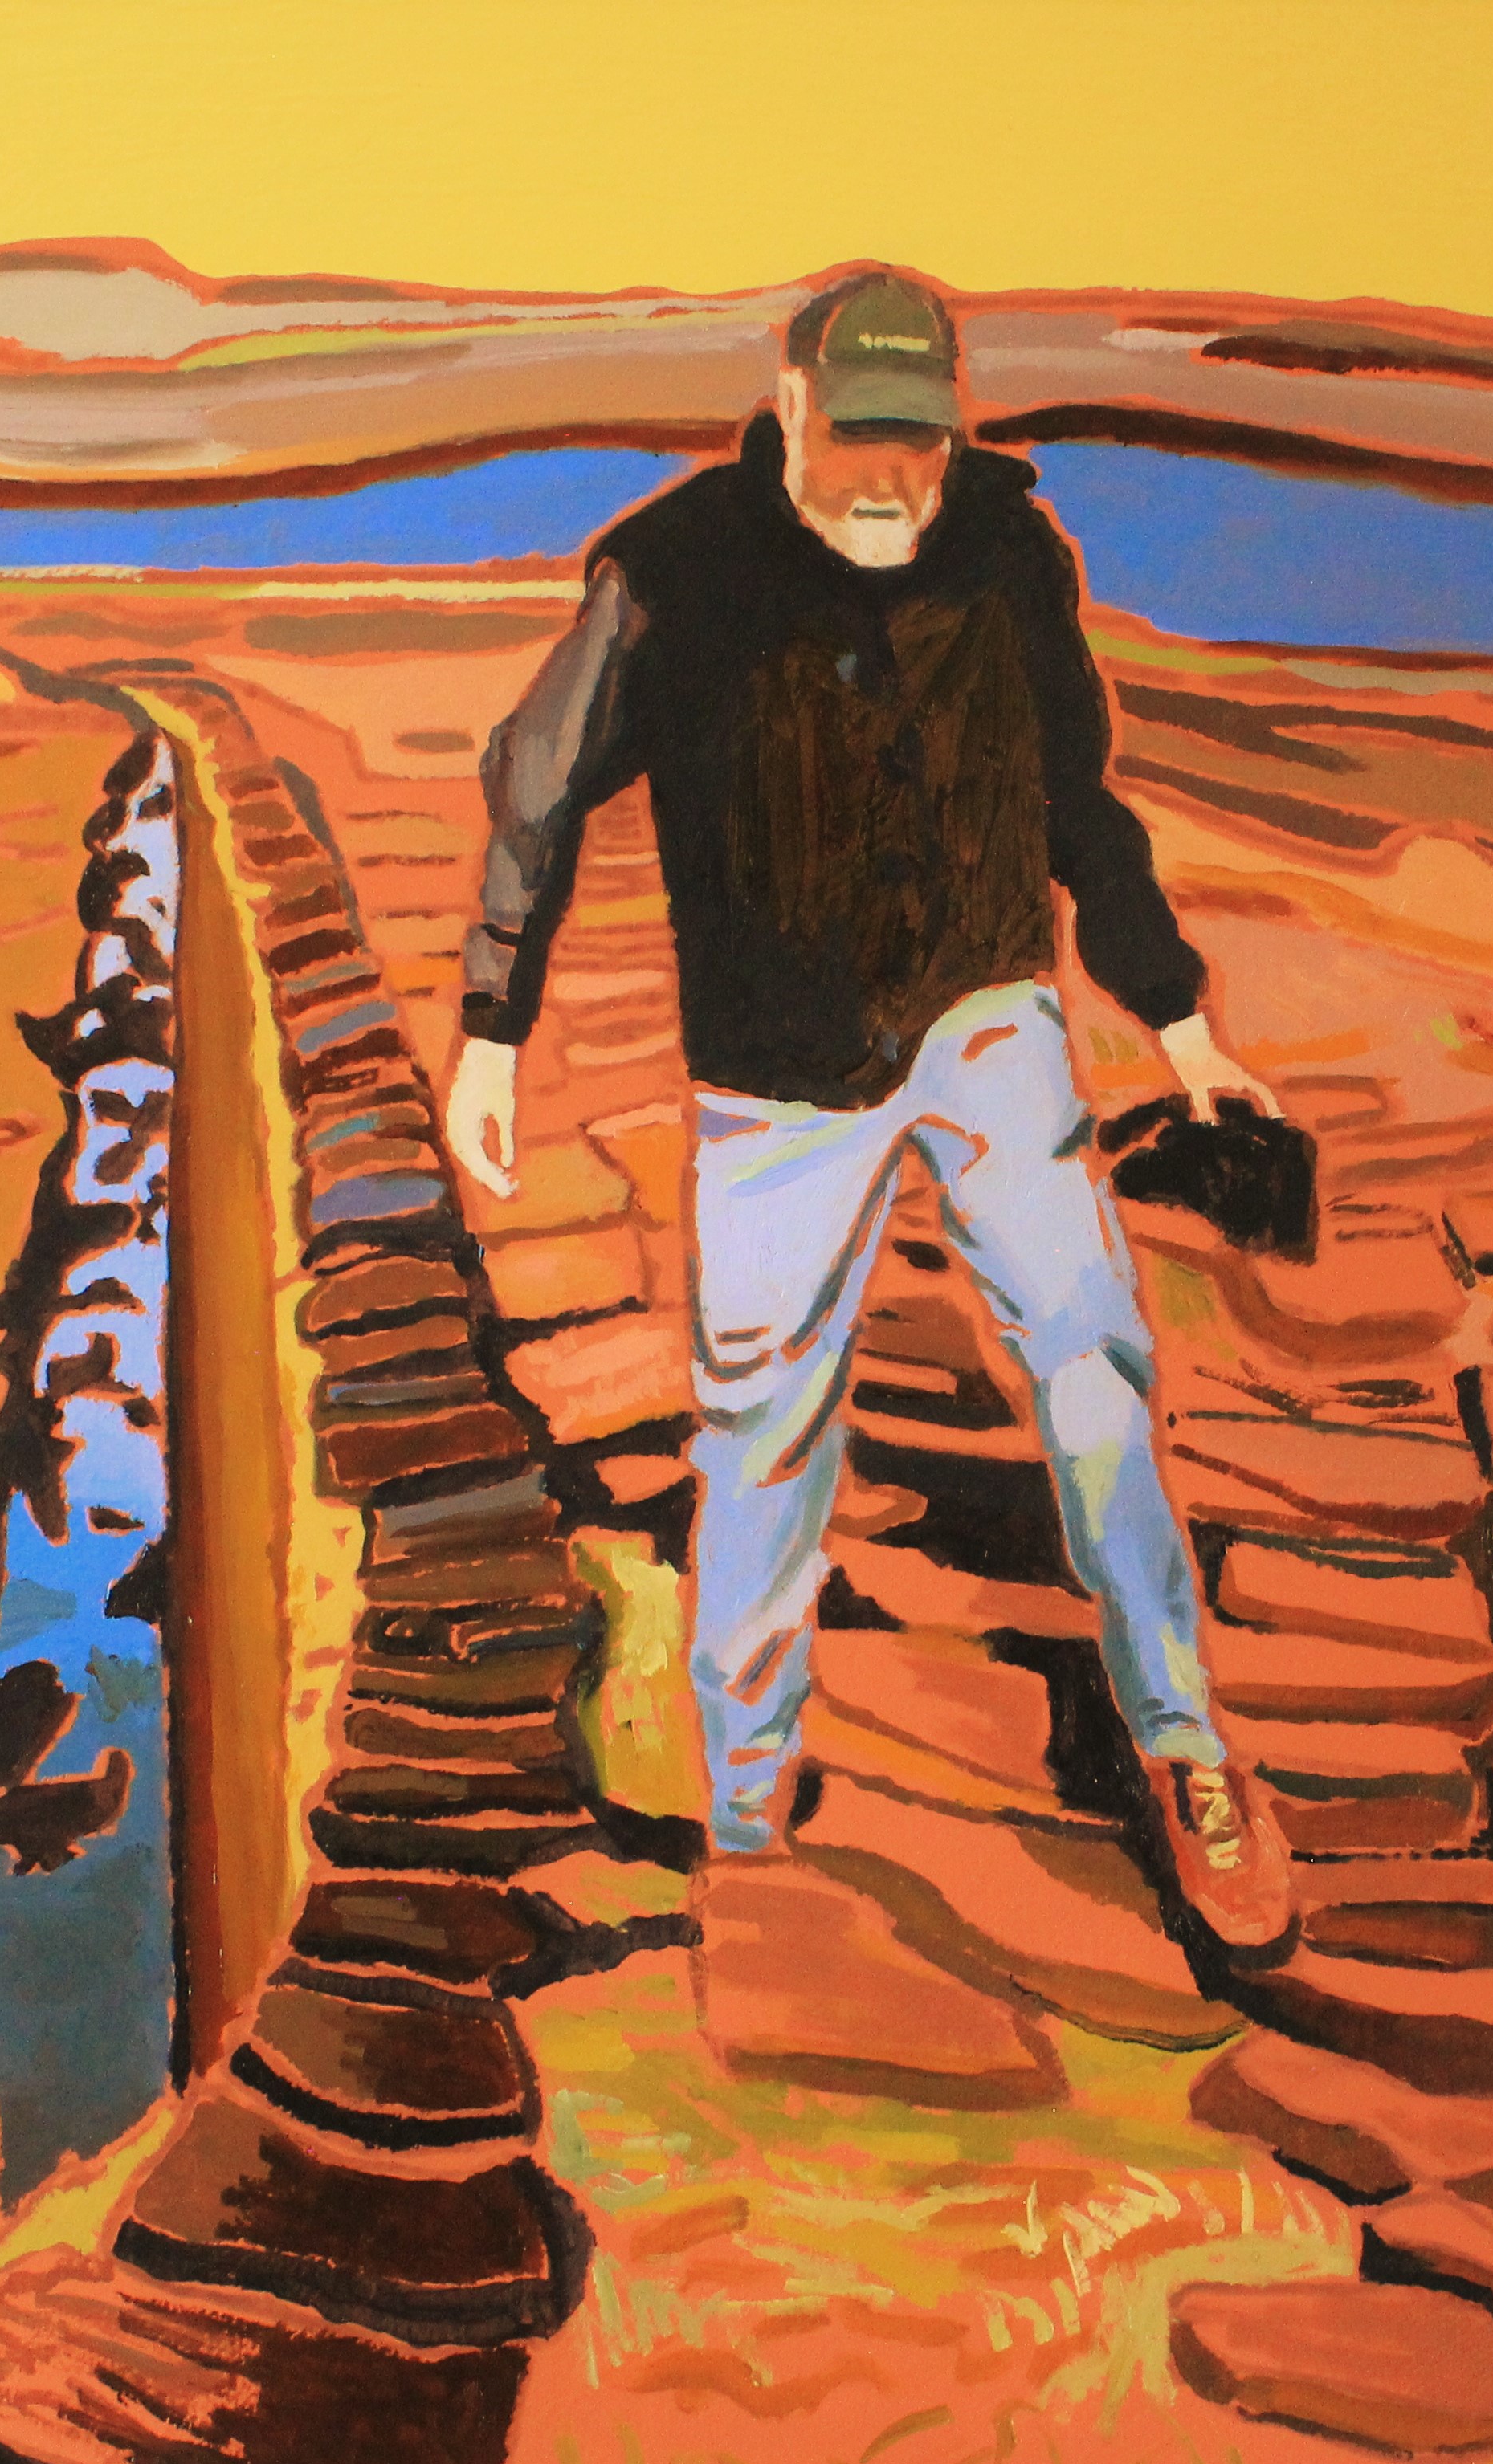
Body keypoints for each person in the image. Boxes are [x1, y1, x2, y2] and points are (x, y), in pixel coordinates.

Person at [441, 266, 1295, 1957]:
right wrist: (489, 1025)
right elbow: (536, 783)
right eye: (859, 438)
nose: (891, 478)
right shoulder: (672, 575)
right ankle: (747, 1802)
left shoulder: (1007, 551)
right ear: (789, 411)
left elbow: (1075, 800)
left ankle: (1181, 1737)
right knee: (764, 1432)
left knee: (1093, 1360)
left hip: (987, 1017)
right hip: (775, 1080)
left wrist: (1182, 1022)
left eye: (920, 441)